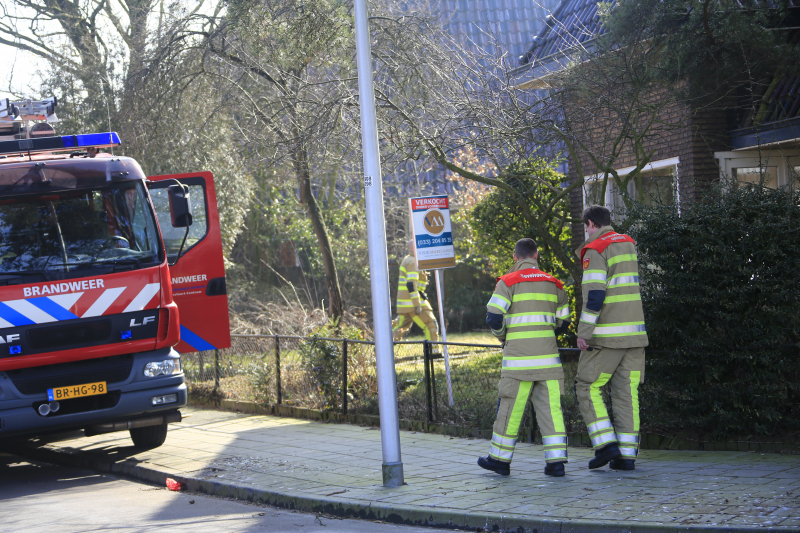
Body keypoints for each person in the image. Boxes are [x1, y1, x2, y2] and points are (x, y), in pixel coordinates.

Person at [477, 238, 571, 477]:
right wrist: (547, 336)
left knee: (510, 409)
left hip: (518, 362)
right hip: (548, 361)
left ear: (516, 257)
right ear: (536, 255)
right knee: (552, 411)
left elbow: (494, 317)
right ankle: (556, 463)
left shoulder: (507, 282)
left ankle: (499, 460)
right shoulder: (555, 284)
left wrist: (503, 337)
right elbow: (564, 322)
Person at [575, 205, 648, 471]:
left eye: (586, 227)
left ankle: (606, 445)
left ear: (591, 224)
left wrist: (584, 333)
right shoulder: (628, 243)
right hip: (635, 335)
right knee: (627, 394)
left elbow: (594, 296)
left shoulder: (595, 249)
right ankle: (626, 457)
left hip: (606, 336)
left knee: (587, 386)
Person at [392, 241, 439, 342]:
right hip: (413, 303)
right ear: (415, 248)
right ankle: (433, 353)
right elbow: (411, 285)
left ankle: (382, 347)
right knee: (431, 325)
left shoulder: (409, 260)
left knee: (400, 328)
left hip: (407, 303)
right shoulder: (413, 262)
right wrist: (417, 304)